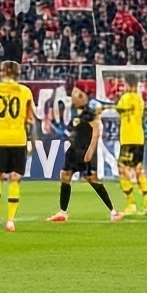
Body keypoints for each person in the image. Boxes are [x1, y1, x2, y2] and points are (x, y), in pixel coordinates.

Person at [0, 61, 34, 232]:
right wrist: (30, 140)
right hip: (18, 139)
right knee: (15, 178)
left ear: (2, 71)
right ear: (18, 73)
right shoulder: (25, 91)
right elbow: (30, 119)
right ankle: (10, 220)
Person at [51, 86, 119, 223]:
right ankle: (62, 212)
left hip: (85, 150)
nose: (72, 96)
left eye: (75, 93)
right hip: (74, 149)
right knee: (65, 175)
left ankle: (113, 211)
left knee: (92, 179)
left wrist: (90, 152)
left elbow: (96, 131)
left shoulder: (91, 109)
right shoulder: (75, 110)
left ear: (82, 96)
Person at [114, 73, 147, 216]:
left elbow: (119, 109)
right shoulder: (140, 99)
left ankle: (130, 203)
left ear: (128, 84)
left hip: (128, 140)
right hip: (139, 138)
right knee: (138, 169)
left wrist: (114, 100)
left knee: (121, 169)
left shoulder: (125, 98)